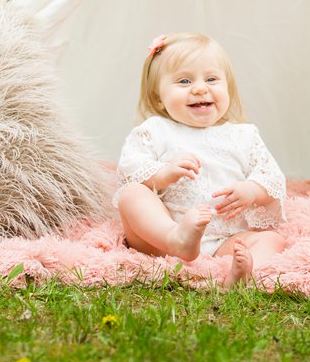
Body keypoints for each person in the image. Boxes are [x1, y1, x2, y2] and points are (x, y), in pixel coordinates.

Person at [115, 32, 287, 288]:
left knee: (273, 241)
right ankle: (177, 238)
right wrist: (163, 173)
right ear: (159, 98)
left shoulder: (244, 135)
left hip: (225, 238)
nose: (199, 88)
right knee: (130, 194)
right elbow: (131, 168)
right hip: (163, 238)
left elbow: (272, 177)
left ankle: (242, 278)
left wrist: (252, 190)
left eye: (211, 79)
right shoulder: (155, 130)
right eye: (184, 81)